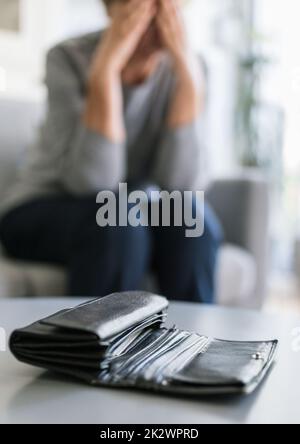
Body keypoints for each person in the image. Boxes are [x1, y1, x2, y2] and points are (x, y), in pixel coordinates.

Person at [0, 0, 223, 302]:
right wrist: (105, 70)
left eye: (167, 8)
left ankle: (189, 346)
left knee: (192, 221)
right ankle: (95, 347)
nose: (156, 20)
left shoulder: (191, 68)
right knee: (117, 218)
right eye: (142, 7)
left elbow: (181, 186)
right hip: (43, 205)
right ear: (110, 8)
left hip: (130, 212)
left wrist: (188, 79)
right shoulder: (68, 57)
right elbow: (91, 184)